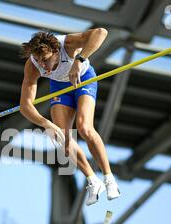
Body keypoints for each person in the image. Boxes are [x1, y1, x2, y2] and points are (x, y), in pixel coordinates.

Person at [19, 30, 121, 205]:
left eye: (46, 60)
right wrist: (45, 123)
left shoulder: (68, 43)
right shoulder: (33, 65)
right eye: (39, 60)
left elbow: (101, 32)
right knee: (62, 138)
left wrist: (79, 60)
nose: (42, 65)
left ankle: (109, 178)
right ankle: (93, 180)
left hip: (83, 78)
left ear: (56, 51)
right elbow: (25, 106)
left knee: (84, 128)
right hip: (60, 87)